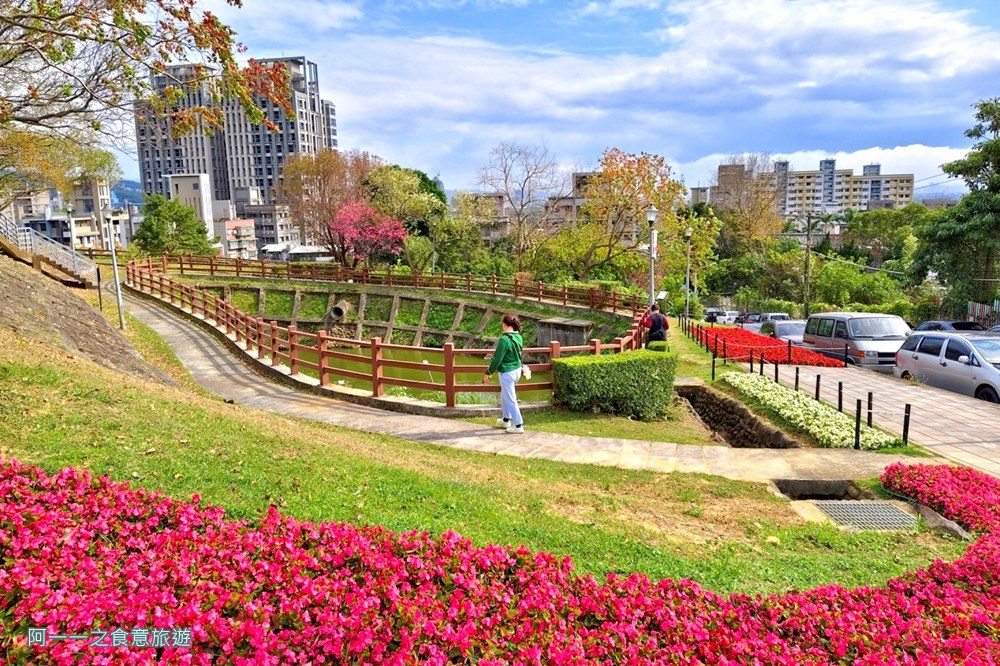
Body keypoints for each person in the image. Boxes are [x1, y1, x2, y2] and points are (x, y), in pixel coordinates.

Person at [482, 314, 525, 434]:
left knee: (510, 399)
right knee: (505, 395)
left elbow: (497, 359)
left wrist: (488, 373)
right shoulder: (518, 337)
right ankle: (506, 419)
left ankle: (518, 425)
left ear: (504, 325)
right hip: (516, 371)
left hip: (507, 373)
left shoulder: (504, 340)